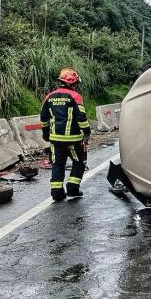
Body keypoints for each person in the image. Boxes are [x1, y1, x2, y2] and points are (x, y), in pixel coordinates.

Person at [40, 68, 91, 201]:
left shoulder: (49, 97)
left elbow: (44, 117)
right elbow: (81, 117)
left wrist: (46, 133)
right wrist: (87, 132)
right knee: (79, 162)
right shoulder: (75, 97)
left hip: (55, 139)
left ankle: (57, 192)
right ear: (74, 83)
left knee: (58, 164)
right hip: (73, 139)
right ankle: (73, 189)